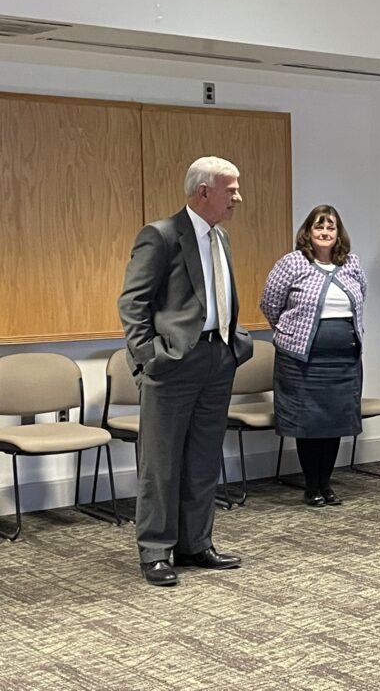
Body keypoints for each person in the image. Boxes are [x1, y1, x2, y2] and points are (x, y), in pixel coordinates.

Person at [118, 156, 254, 587]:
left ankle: (196, 543)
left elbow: (218, 296)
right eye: (230, 189)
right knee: (161, 462)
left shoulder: (221, 236)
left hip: (218, 358)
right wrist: (149, 357)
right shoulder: (160, 236)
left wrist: (236, 341)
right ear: (203, 192)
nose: (237, 197)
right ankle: (156, 551)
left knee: (203, 457)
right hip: (173, 363)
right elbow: (133, 303)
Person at [260, 205, 367, 507]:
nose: (324, 232)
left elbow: (361, 299)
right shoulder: (292, 263)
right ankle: (311, 486)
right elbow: (269, 303)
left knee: (333, 422)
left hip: (343, 361)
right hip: (301, 361)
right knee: (309, 423)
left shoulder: (352, 264)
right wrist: (290, 333)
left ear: (338, 233)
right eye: (318, 227)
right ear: (307, 232)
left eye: (330, 227)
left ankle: (326, 483)